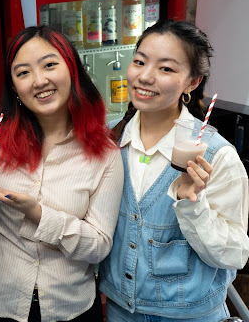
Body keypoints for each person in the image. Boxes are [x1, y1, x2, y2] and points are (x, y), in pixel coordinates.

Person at [0, 26, 124, 322]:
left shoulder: (104, 152)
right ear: (14, 87)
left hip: (71, 308)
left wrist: (40, 215)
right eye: (23, 73)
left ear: (72, 70)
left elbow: (99, 246)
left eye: (49, 65)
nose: (39, 81)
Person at [100, 20, 249, 321]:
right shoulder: (110, 143)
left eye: (166, 69)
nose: (144, 76)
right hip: (119, 311)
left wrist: (194, 205)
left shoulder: (216, 155)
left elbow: (235, 254)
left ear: (192, 82)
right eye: (140, 62)